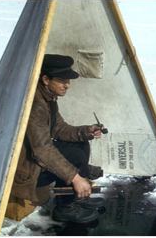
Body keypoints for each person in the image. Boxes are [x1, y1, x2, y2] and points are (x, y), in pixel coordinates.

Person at [9, 54, 104, 223]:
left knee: (80, 144)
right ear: (46, 79)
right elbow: (42, 150)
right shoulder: (36, 105)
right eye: (62, 80)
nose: (67, 85)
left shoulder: (48, 97)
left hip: (35, 161)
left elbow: (59, 128)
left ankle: (76, 195)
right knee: (74, 156)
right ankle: (65, 207)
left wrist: (86, 131)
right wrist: (76, 177)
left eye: (68, 81)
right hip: (26, 172)